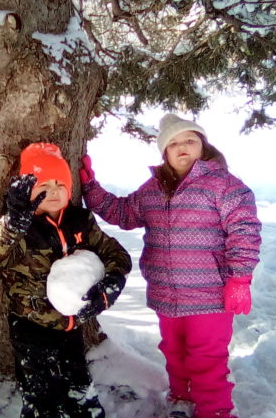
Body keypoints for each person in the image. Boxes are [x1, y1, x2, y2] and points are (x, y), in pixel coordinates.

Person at [78, 114, 261, 418]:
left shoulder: (224, 185)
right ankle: (180, 399)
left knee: (207, 360)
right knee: (174, 354)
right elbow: (123, 212)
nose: (182, 147)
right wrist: (91, 189)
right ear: (164, 153)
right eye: (173, 143)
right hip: (166, 295)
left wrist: (240, 279)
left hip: (209, 296)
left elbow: (245, 231)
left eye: (190, 140)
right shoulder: (153, 189)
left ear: (203, 146)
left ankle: (214, 411)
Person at [0, 143, 132, 418]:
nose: (54, 191)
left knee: (80, 389)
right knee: (42, 396)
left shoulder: (80, 222)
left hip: (71, 325)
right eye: (44, 185)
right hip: (31, 326)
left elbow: (116, 253)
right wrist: (10, 225)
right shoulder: (20, 228)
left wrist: (110, 286)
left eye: (60, 183)